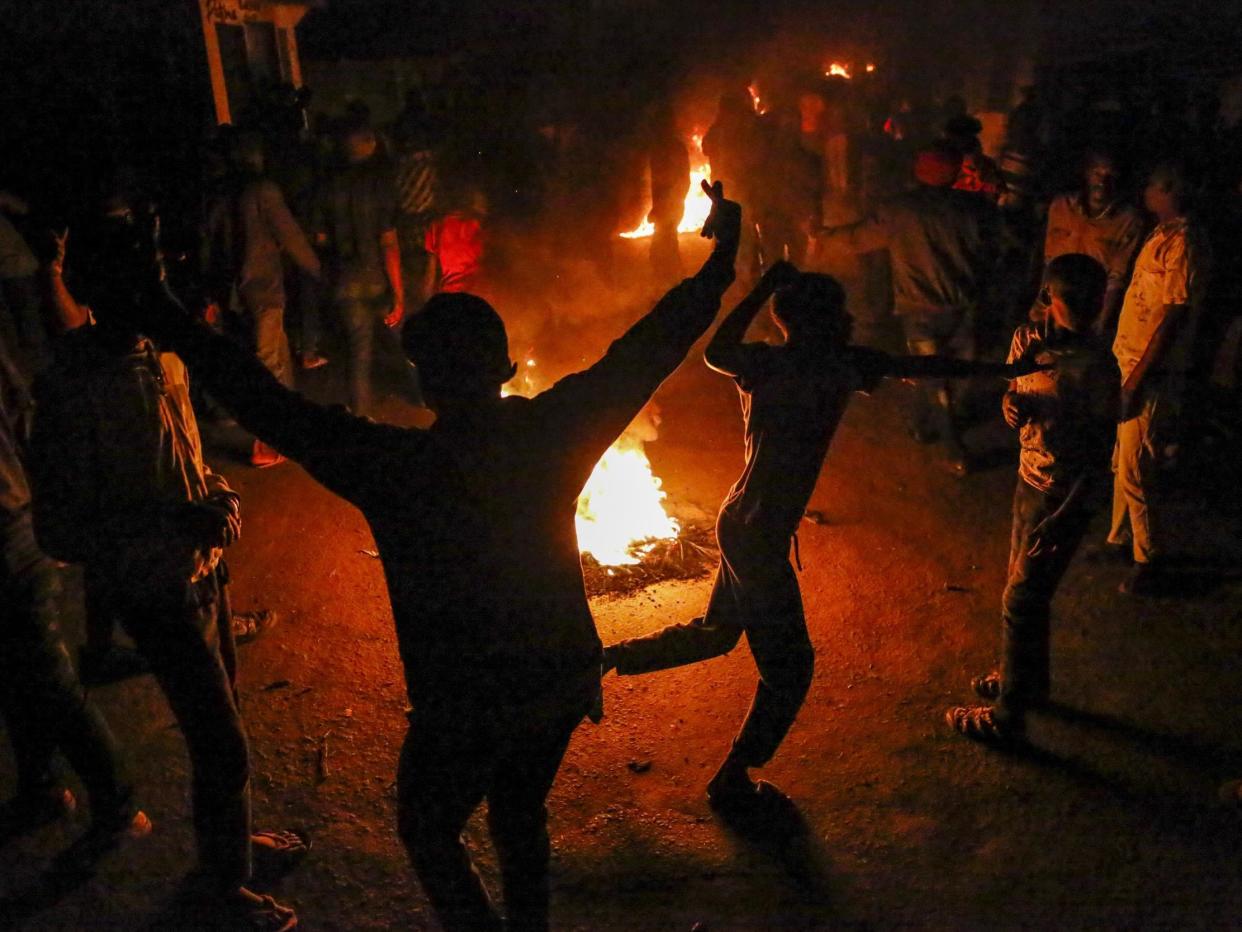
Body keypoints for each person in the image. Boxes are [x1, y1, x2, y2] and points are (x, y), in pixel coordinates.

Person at [88, 180, 743, 931]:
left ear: (425, 380)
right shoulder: (550, 434)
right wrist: (720, 262)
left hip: (462, 698)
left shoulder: (392, 467)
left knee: (429, 829)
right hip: (557, 676)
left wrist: (166, 314)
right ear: (502, 369)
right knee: (520, 813)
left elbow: (266, 403)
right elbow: (645, 352)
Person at [603, 262, 1044, 809]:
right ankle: (731, 780)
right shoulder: (836, 365)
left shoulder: (773, 363)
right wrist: (1001, 368)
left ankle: (602, 660)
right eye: (840, 310)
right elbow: (922, 365)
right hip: (758, 533)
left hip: (743, 521)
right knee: (790, 670)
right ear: (816, 321)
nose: (851, 316)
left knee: (717, 635)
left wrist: (764, 286)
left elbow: (721, 350)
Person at [29, 220, 305, 931]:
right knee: (220, 740)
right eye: (136, 279)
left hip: (202, 572)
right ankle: (221, 891)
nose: (153, 291)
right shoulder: (72, 387)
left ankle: (232, 847)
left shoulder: (164, 357)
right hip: (153, 591)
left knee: (227, 721)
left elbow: (189, 460)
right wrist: (168, 527)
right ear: (92, 289)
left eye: (154, 273)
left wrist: (219, 497)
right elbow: (61, 528)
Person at [946, 254, 1117, 743]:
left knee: (1021, 598)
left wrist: (1066, 513)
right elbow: (1015, 389)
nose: (1085, 308)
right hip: (1031, 480)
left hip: (1062, 495)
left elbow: (1099, 448)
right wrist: (1010, 406)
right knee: (1023, 590)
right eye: (1074, 300)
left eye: (1093, 299)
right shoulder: (1028, 341)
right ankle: (1024, 681)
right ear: (1047, 298)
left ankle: (1007, 718)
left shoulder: (1096, 367)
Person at [0, 333, 150, 861]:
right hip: (17, 518)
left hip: (7, 533)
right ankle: (40, 789)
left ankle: (120, 806)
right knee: (20, 673)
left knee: (47, 676)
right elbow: (26, 415)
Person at [816, 146, 999, 474]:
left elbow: (858, 239)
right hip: (963, 309)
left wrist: (824, 236)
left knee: (934, 376)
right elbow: (996, 251)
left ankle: (953, 448)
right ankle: (922, 423)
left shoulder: (900, 211)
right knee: (951, 373)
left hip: (920, 312)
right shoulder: (973, 209)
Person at [1108, 163, 1210, 595]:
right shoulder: (1162, 234)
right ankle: (1118, 540)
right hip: (1129, 362)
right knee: (1121, 459)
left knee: (1135, 468)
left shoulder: (1182, 243)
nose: (1144, 190)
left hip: (1146, 371)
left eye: (1151, 184)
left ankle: (1149, 561)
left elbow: (1171, 318)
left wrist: (1137, 380)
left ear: (1168, 190)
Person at [203, 130, 322, 467]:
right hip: (262, 290)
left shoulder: (220, 193)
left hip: (234, 294)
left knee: (275, 353)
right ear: (255, 156)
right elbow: (291, 236)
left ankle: (295, 427)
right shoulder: (262, 191)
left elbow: (208, 247)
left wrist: (212, 295)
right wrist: (319, 271)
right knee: (267, 365)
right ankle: (267, 445)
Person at [312, 116, 406, 415]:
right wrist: (399, 292)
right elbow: (388, 242)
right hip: (376, 278)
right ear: (369, 144)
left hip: (344, 279)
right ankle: (435, 405)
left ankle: (362, 421)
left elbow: (320, 238)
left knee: (358, 354)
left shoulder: (328, 186)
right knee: (407, 343)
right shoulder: (380, 184)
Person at [1038, 150, 1145, 335]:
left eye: (1110, 175)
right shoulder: (1062, 206)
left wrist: (1101, 322)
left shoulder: (1128, 221)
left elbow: (1116, 278)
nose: (1103, 181)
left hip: (1086, 314)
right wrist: (1040, 305)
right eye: (1097, 173)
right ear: (1087, 174)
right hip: (1053, 308)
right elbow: (1049, 261)